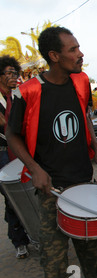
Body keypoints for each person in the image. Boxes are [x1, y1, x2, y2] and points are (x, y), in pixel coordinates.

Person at [6, 26, 97, 278]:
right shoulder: (29, 91)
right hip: (51, 191)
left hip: (83, 181)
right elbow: (12, 134)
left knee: (92, 251)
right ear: (54, 55)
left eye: (78, 47)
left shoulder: (80, 81)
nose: (80, 54)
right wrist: (35, 169)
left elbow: (82, 117)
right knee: (56, 260)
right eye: (73, 50)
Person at [0, 55, 31, 258]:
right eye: (10, 73)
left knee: (24, 194)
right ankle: (19, 240)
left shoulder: (17, 96)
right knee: (12, 196)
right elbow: (7, 125)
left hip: (19, 150)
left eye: (16, 73)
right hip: (2, 152)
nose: (14, 77)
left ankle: (25, 232)